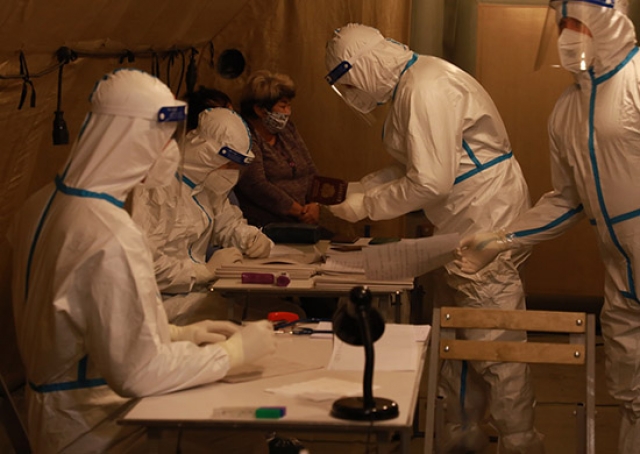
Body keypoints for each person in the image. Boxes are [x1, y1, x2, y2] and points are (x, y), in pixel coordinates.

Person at [7, 68, 276, 453]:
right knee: (242, 437)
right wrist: (232, 355)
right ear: (129, 139)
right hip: (99, 425)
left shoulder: (41, 203)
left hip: (56, 415)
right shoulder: (109, 232)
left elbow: (79, 317)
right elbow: (138, 374)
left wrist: (178, 335)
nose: (172, 151)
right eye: (163, 139)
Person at [325, 23, 544, 452]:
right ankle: (462, 436)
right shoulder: (417, 80)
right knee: (456, 333)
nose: (351, 93)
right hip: (467, 215)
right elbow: (418, 163)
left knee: (493, 339)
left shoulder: (424, 89)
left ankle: (520, 441)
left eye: (349, 83)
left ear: (364, 67)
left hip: (483, 215)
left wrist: (368, 205)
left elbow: (430, 182)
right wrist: (364, 187)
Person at [455, 1, 640, 452]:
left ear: (608, 20)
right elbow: (568, 199)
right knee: (631, 393)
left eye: (577, 22)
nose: (566, 34)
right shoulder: (567, 108)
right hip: (620, 272)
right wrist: (502, 239)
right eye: (561, 24)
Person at [131, 106, 283, 323]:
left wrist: (251, 238)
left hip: (195, 293)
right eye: (227, 164)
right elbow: (144, 265)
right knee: (266, 321)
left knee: (283, 311)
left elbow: (228, 223)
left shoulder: (207, 187)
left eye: (235, 166)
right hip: (159, 305)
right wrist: (203, 271)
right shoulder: (154, 191)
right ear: (205, 154)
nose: (231, 172)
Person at [234, 70, 321, 227]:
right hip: (268, 225)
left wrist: (315, 204)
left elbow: (310, 169)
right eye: (283, 106)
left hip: (303, 222)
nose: (288, 112)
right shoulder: (245, 135)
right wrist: (299, 211)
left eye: (288, 105)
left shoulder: (288, 130)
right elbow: (255, 185)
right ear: (260, 110)